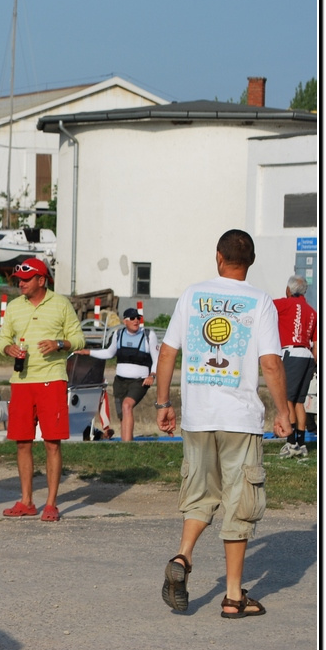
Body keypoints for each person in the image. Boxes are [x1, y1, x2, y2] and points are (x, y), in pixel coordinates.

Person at [156, 229, 289, 618]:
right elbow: (271, 363)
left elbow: (167, 352)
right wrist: (282, 411)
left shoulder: (192, 295)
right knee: (239, 503)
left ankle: (182, 558)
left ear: (218, 257)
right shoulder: (260, 301)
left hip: (198, 417)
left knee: (199, 495)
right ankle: (233, 596)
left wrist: (164, 402)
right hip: (240, 419)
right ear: (250, 261)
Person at [0, 257, 85, 522]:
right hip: (21, 381)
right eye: (19, 280)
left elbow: (79, 338)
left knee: (51, 442)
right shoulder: (14, 307)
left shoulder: (60, 304)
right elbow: (1, 339)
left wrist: (59, 343)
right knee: (22, 442)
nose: (21, 284)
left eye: (26, 279)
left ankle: (51, 503)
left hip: (52, 380)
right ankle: (26, 501)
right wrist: (7, 348)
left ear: (41, 280)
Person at [74, 307, 159, 441]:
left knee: (127, 405)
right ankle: (126, 445)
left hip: (140, 381)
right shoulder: (118, 334)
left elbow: (157, 359)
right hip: (120, 382)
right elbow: (109, 353)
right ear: (125, 321)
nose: (136, 321)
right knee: (122, 415)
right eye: (132, 318)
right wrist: (88, 352)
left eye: (138, 318)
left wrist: (152, 375)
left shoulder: (149, 335)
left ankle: (127, 445)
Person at [273, 275, 317, 458]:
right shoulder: (312, 311)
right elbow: (316, 340)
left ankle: (291, 444)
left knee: (287, 399)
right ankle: (301, 442)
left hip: (292, 353)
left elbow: (263, 306)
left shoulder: (283, 304)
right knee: (299, 401)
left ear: (289, 290)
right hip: (307, 355)